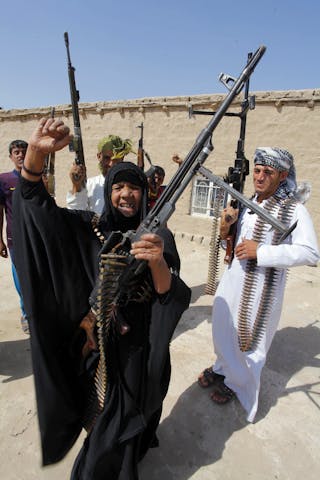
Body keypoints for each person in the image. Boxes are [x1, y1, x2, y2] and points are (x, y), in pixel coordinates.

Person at [12, 117, 191, 479]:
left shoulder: (159, 237)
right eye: (118, 186)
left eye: (134, 187)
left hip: (141, 351)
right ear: (108, 191)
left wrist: (155, 259)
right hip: (101, 349)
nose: (126, 194)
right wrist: (34, 158)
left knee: (142, 409)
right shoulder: (91, 227)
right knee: (104, 429)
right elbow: (36, 208)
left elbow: (169, 294)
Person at [197, 147, 319, 422]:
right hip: (233, 280)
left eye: (268, 172)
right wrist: (227, 228)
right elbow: (232, 242)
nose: (260, 177)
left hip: (262, 287)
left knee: (249, 341)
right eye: (257, 170)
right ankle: (222, 366)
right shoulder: (246, 202)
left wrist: (262, 252)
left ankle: (238, 383)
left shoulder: (293, 209)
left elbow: (311, 252)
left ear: (283, 176)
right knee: (223, 329)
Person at [0, 139, 29, 333]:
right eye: (16, 152)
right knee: (20, 278)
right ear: (11, 156)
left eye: (23, 151)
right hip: (15, 238)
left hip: (36, 237)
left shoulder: (39, 177)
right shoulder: (4, 180)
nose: (20, 155)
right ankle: (26, 315)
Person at [66, 135, 133, 214]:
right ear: (99, 156)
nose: (111, 164)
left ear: (122, 158)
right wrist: (76, 186)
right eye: (107, 158)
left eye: (115, 159)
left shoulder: (131, 185)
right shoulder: (90, 185)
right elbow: (75, 214)